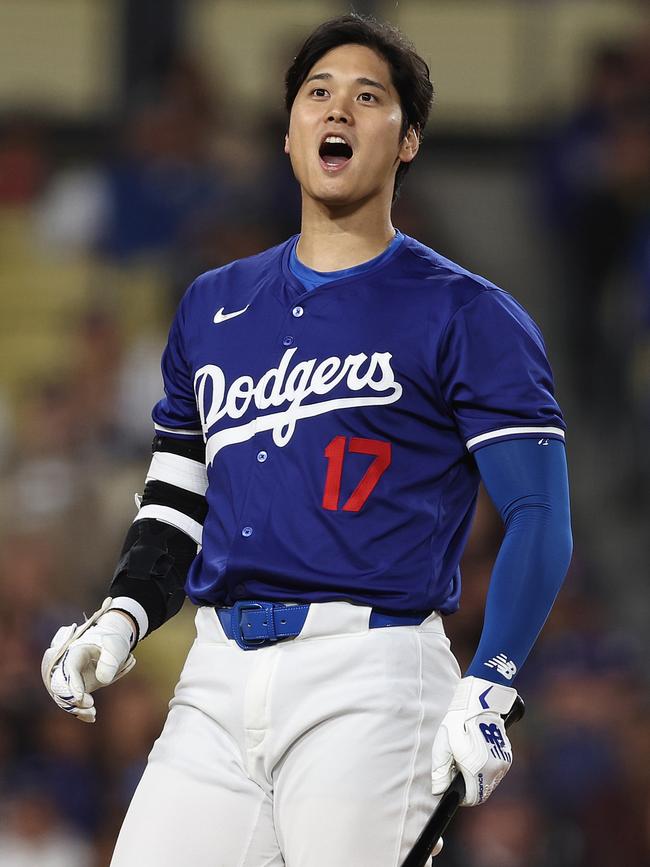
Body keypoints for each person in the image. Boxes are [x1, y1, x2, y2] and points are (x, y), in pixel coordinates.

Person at [41, 14, 573, 866]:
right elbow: (178, 500)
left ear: (408, 141)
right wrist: (125, 613)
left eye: (370, 98)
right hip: (215, 677)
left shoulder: (469, 312)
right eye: (318, 94)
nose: (339, 111)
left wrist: (495, 674)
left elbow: (541, 513)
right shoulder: (213, 303)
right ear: (289, 133)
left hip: (374, 670)